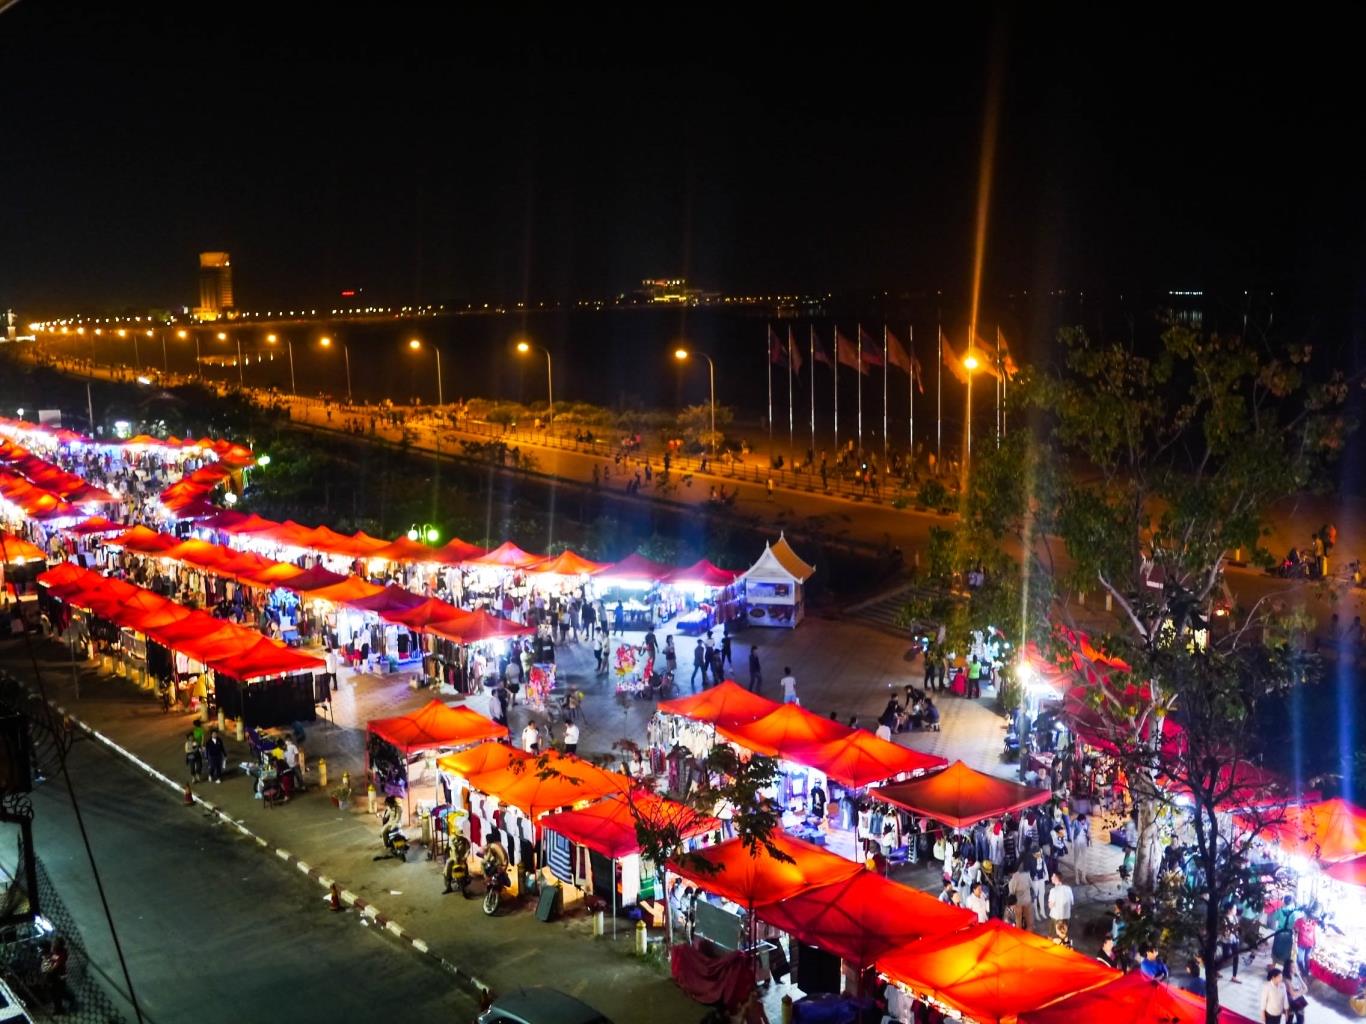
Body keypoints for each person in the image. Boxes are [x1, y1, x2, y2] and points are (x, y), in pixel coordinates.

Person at [40, 936, 71, 1014]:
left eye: (55, 943)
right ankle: (58, 1008)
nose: (53, 944)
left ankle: (69, 1001)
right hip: (54, 975)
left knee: (60, 992)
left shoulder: (61, 953)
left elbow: (56, 962)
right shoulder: (54, 952)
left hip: (59, 975)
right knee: (54, 993)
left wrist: (49, 967)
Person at [1008, 863, 1035, 932]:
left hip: (1018, 902)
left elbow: (1012, 892)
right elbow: (1032, 885)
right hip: (1027, 900)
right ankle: (1029, 936)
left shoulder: (1012, 881)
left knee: (1018, 920)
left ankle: (1020, 936)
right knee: (1029, 921)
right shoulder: (1026, 875)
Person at [1072, 814, 1090, 884]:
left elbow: (1088, 831)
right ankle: (1076, 878)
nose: (1083, 821)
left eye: (1084, 820)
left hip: (1084, 841)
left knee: (1084, 860)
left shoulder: (1086, 823)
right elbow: (1072, 832)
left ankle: (1083, 877)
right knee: (1076, 860)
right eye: (1082, 820)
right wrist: (1072, 842)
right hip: (1077, 841)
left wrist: (1090, 840)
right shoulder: (1075, 822)